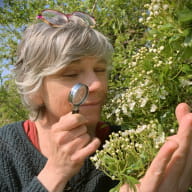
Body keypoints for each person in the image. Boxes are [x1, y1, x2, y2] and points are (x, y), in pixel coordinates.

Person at [0, 9, 192, 192]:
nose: (97, 85)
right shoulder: (5, 149)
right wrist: (55, 173)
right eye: (71, 73)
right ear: (35, 89)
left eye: (100, 70)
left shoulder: (131, 148)